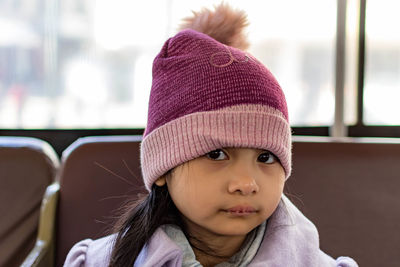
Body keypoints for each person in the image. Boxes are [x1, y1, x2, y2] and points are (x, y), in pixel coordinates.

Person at [64, 4, 358, 267]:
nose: (246, 183)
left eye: (266, 157)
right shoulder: (98, 261)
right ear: (163, 167)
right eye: (216, 154)